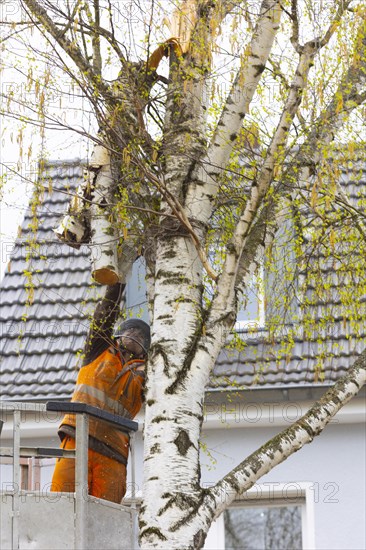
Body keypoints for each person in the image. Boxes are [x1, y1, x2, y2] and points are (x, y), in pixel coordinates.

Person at [51, 282, 150, 503]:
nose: (134, 336)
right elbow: (104, 315)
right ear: (118, 334)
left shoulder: (146, 374)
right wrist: (118, 281)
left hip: (113, 452)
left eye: (141, 336)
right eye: (131, 331)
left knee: (106, 516)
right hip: (78, 439)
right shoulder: (98, 348)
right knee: (62, 506)